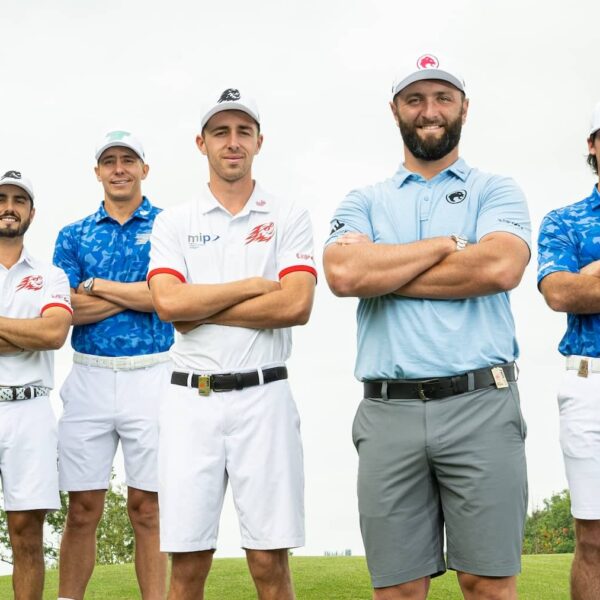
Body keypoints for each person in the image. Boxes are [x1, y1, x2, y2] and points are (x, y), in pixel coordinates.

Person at [323, 53, 531, 600]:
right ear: (395, 110)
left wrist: (384, 267)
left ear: (464, 107)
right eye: (415, 99)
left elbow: (499, 267)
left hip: (481, 404)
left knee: (487, 584)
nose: (429, 110)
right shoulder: (362, 199)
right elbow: (344, 274)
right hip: (388, 410)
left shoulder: (497, 190)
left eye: (442, 97)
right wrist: (446, 244)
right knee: (398, 591)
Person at [148, 88, 317, 600]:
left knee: (269, 561)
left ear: (259, 141)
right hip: (189, 401)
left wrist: (200, 306)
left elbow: (295, 306)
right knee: (189, 564)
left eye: (243, 131)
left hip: (264, 396)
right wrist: (251, 285)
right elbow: (169, 306)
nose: (233, 142)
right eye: (221, 131)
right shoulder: (174, 220)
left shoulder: (288, 214)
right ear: (201, 142)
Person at [53, 131, 174, 600]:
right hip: (89, 376)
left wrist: (96, 285)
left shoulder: (169, 226)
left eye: (129, 160)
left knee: (148, 508)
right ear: (98, 171)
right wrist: (140, 296)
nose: (119, 168)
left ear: (145, 168)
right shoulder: (73, 233)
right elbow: (65, 310)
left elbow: (171, 303)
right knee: (83, 508)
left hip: (154, 372)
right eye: (109, 161)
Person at [538, 101, 600, 600]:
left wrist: (593, 272)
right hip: (588, 382)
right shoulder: (565, 220)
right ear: (592, 145)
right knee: (594, 539)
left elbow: (583, 286)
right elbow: (561, 293)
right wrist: (580, 283)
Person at [0, 170, 72, 599]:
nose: (9, 207)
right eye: (2, 197)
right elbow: (36, 332)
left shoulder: (51, 275)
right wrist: (24, 331)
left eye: (18, 200)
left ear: (31, 212)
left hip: (29, 409)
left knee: (27, 533)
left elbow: (53, 335)